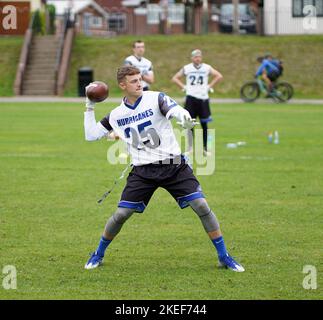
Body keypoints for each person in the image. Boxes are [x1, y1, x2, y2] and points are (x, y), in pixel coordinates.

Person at [83, 66, 244, 272]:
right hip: (142, 171)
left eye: (140, 79)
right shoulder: (116, 115)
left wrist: (183, 117)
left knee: (201, 206)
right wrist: (89, 105)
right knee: (121, 214)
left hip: (174, 165)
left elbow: (176, 110)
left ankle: (224, 256)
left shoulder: (156, 98)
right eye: (133, 81)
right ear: (122, 85)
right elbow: (91, 135)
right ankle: (98, 253)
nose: (139, 83)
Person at [172, 49, 223, 156]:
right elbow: (175, 78)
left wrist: (209, 86)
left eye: (199, 56)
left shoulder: (207, 68)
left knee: (204, 124)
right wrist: (184, 87)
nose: (197, 58)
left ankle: (206, 149)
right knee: (189, 124)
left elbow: (219, 76)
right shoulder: (187, 68)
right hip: (190, 98)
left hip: (203, 98)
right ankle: (190, 148)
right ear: (192, 58)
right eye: (195, 57)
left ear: (201, 57)